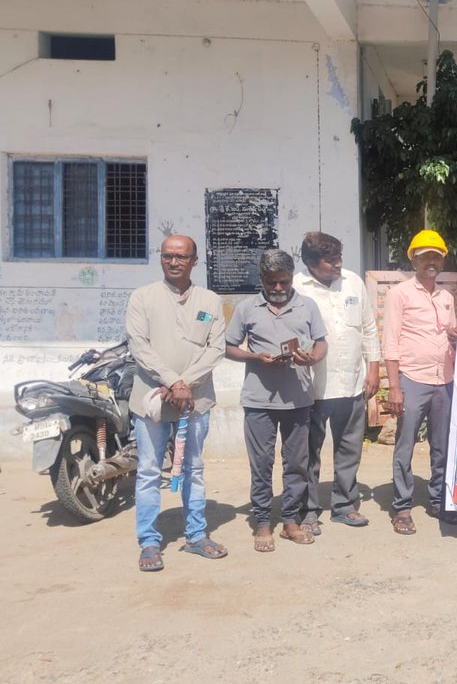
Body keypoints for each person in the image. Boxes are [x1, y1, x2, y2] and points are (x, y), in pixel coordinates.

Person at [126, 235, 227, 572]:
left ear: (194, 261)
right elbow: (139, 346)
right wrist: (172, 381)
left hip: (195, 401)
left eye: (181, 257)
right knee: (149, 472)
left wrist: (186, 384)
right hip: (152, 399)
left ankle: (196, 535)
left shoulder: (210, 300)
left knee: (193, 469)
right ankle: (149, 542)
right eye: (167, 255)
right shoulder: (143, 298)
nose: (173, 262)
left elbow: (216, 348)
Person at [226, 250, 328, 552]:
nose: (279, 289)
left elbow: (322, 342)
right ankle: (262, 521)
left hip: (298, 400)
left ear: (292, 277)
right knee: (261, 463)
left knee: (297, 464)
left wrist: (312, 359)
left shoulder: (307, 307)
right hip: (259, 400)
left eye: (284, 282)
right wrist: (255, 357)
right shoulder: (247, 308)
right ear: (262, 280)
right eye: (273, 283)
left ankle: (290, 520)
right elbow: (229, 347)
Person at [295, 231, 380, 532]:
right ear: (310, 262)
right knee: (308, 452)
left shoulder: (353, 282)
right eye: (330, 261)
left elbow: (368, 328)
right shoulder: (296, 287)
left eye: (339, 258)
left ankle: (344, 504)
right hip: (312, 388)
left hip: (352, 383)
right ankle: (308, 511)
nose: (338, 265)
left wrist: (373, 369)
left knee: (349, 447)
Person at [381, 229, 457, 534]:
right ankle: (401, 506)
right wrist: (395, 387)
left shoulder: (446, 296)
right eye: (425, 256)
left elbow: (450, 334)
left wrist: (455, 335)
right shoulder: (399, 294)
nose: (431, 261)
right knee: (405, 445)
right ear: (413, 259)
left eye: (436, 256)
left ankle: (439, 500)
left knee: (441, 445)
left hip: (445, 380)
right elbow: (390, 342)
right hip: (412, 380)